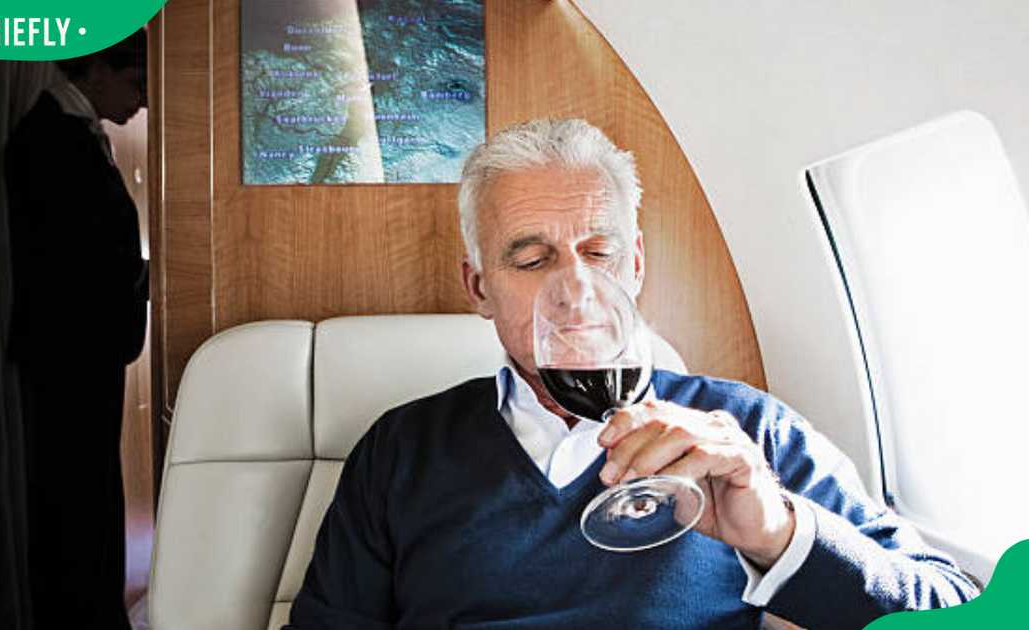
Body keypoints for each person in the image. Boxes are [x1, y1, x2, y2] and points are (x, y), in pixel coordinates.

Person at [287, 119, 978, 629]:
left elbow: (951, 607)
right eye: (532, 262)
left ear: (637, 265)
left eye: (600, 252)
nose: (576, 290)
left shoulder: (746, 434)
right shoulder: (402, 450)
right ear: (477, 287)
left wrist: (780, 532)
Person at [4, 30, 148, 629]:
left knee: (90, 491)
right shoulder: (51, 139)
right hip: (70, 357)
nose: (142, 102)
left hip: (85, 352)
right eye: (136, 82)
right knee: (75, 496)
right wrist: (134, 277)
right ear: (97, 70)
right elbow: (68, 260)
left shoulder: (75, 134)